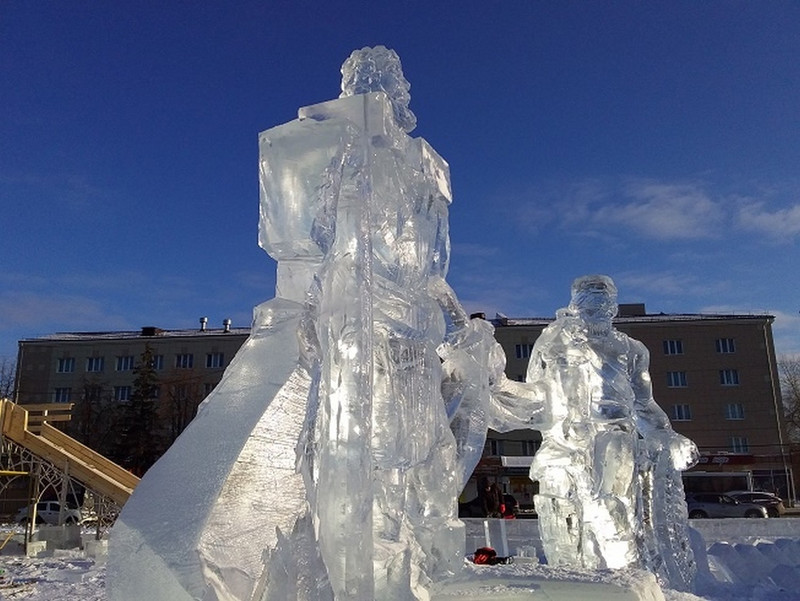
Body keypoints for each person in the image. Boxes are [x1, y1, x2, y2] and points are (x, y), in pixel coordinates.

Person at [526, 275, 698, 580]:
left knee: (609, 505)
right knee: (560, 512)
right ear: (576, 306)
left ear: (614, 307)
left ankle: (621, 577)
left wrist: (669, 436)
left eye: (604, 303)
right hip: (565, 441)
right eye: (590, 304)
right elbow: (535, 397)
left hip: (615, 436)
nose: (599, 310)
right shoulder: (555, 341)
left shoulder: (631, 350)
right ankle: (570, 579)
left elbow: (644, 405)